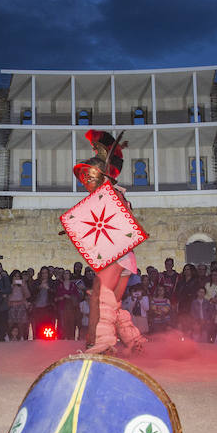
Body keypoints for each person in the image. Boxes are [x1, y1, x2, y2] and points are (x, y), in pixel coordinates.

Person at [70, 130, 146, 354]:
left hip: (116, 253)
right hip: (123, 256)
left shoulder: (112, 194)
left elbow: (119, 222)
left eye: (90, 176)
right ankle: (133, 341)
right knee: (113, 301)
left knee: (100, 296)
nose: (86, 181)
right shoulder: (110, 195)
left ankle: (101, 343)